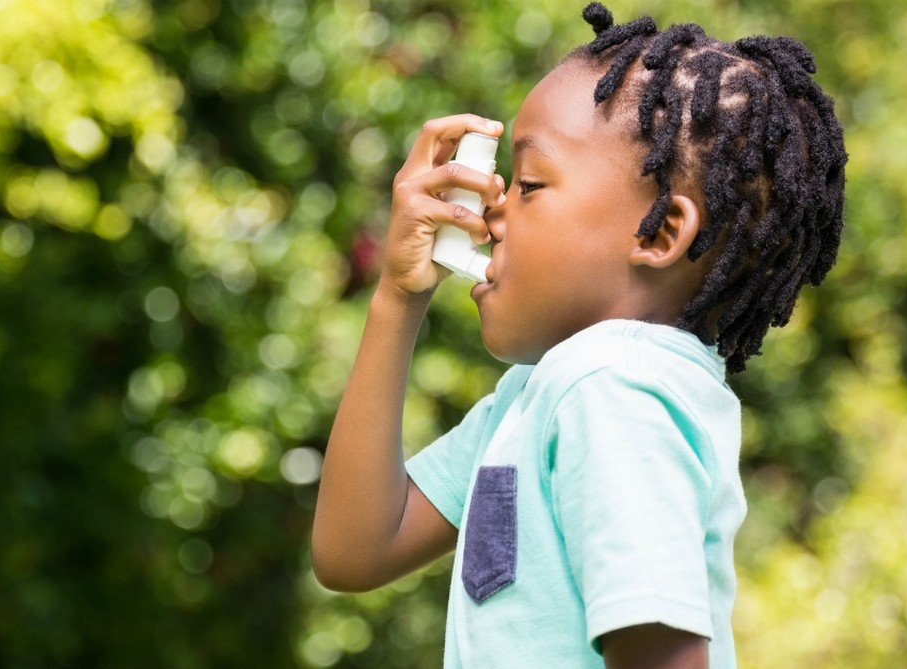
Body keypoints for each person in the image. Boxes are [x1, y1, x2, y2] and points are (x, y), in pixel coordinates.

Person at [311, 3, 847, 668]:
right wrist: (399, 296)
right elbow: (355, 547)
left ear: (657, 233)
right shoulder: (543, 396)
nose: (492, 208)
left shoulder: (611, 388)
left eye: (530, 183)